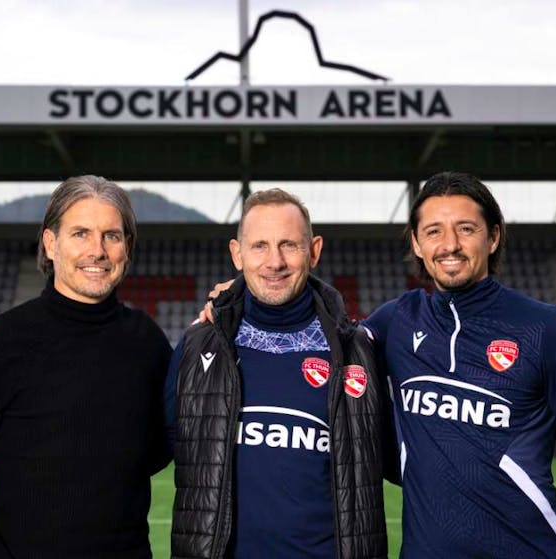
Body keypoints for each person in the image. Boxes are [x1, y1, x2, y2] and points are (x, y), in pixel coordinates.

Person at [363, 171, 556, 557]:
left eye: (466, 228)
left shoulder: (546, 329)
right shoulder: (396, 321)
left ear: (493, 236)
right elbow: (325, 346)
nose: (449, 244)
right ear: (416, 243)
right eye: (433, 231)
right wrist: (241, 295)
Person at [0, 175, 172, 559]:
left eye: (111, 235)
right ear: (50, 243)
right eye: (80, 233)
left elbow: (158, 448)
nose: (98, 250)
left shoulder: (149, 343)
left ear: (127, 247)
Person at [165, 189, 393, 559]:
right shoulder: (198, 347)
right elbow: (161, 447)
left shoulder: (359, 352)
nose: (275, 262)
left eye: (289, 245)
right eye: (259, 246)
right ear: (237, 254)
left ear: (314, 250)